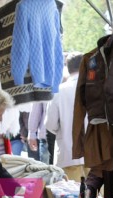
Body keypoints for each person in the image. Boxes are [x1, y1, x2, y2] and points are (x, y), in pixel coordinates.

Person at [46, 53, 85, 182]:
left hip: (67, 155)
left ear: (67, 68)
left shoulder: (59, 91)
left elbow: (50, 125)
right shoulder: (97, 89)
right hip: (94, 157)